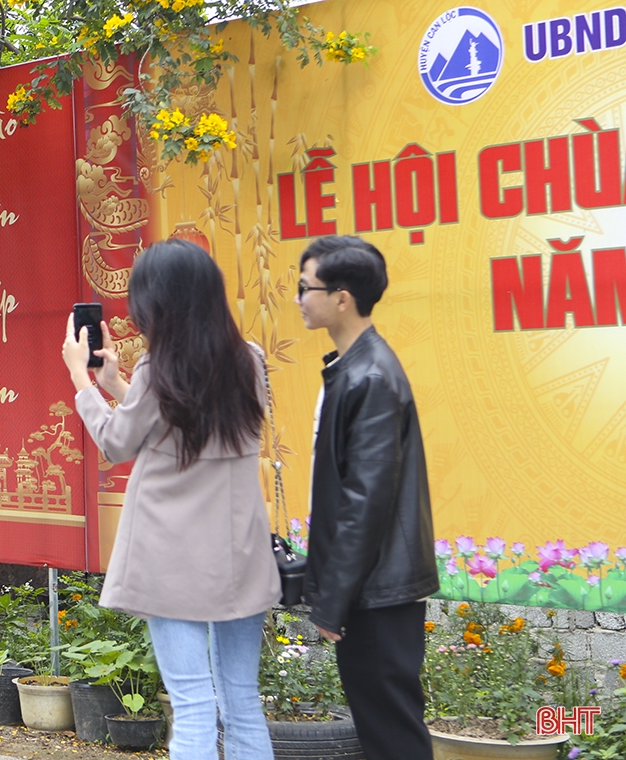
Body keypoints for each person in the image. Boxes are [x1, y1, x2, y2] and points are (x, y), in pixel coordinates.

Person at [62, 239, 279, 760]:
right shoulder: (249, 360)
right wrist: (118, 383)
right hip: (239, 554)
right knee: (242, 702)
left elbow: (120, 442)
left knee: (193, 704)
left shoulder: (159, 371)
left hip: (172, 556)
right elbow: (184, 426)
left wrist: (81, 379)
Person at [295, 235, 439, 760]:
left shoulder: (371, 375)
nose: (299, 298)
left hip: (379, 591)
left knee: (392, 734)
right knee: (383, 730)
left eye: (305, 287)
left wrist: (332, 601)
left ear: (342, 297)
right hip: (372, 587)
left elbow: (366, 502)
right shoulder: (352, 366)